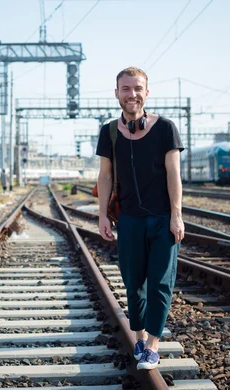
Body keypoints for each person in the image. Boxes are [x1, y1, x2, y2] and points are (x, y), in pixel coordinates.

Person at [95, 67, 185, 370]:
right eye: (125, 88)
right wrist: (102, 215)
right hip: (130, 220)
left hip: (162, 219)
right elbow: (105, 175)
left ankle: (152, 345)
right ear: (117, 93)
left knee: (160, 282)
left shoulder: (165, 129)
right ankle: (139, 336)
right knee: (134, 283)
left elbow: (174, 174)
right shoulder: (109, 131)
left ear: (147, 92)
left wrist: (176, 216)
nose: (131, 94)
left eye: (137, 88)